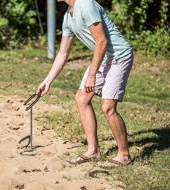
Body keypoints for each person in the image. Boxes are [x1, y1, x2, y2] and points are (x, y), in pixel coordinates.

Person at [36, 0, 133, 166]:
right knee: (81, 99)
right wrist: (47, 81)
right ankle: (93, 150)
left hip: (119, 56)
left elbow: (101, 41)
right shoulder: (68, 15)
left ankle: (124, 155)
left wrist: (92, 75)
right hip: (104, 57)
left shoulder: (85, 4)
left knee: (108, 108)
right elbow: (63, 53)